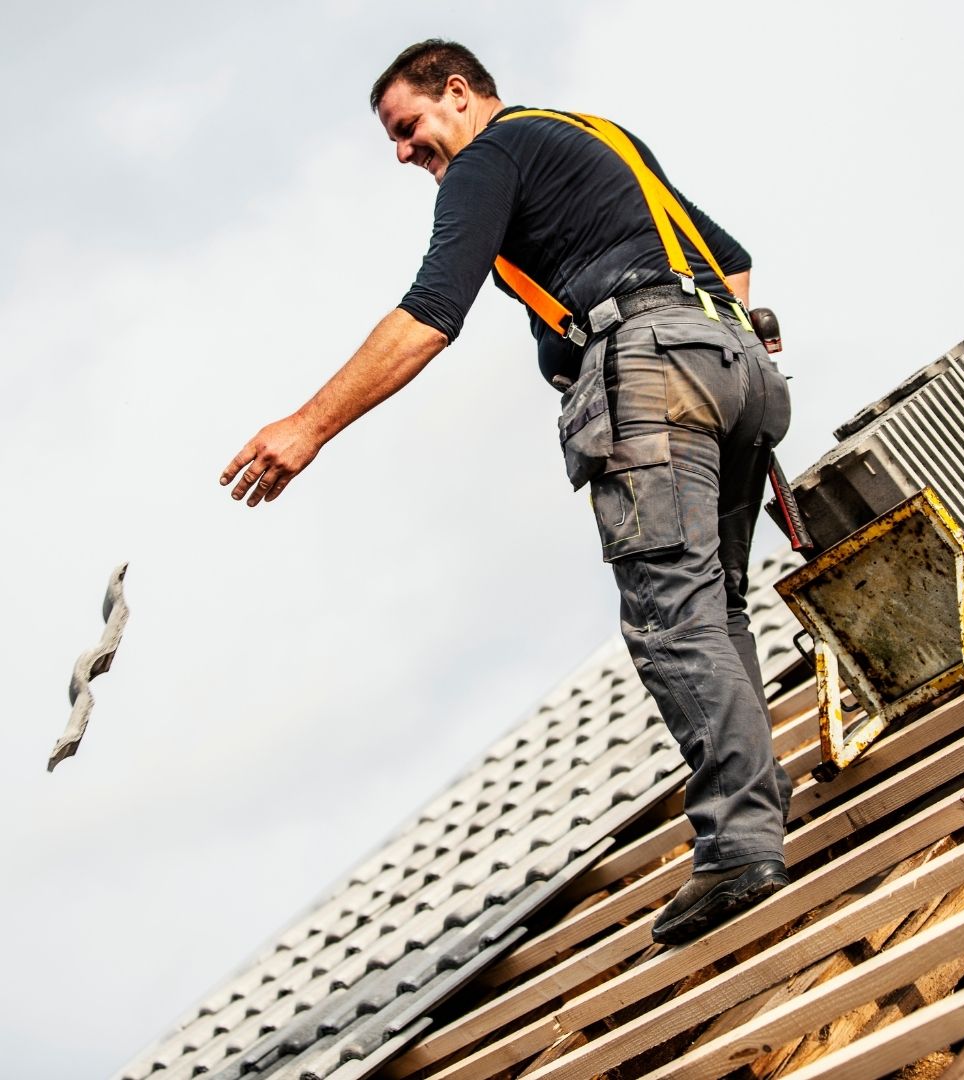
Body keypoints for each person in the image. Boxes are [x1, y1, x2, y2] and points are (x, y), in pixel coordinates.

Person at [220, 39, 793, 945]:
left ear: (458, 92)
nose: (402, 152)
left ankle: (740, 846)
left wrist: (308, 426)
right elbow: (731, 261)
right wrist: (700, 338)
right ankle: (758, 817)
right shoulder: (592, 134)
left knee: (674, 619)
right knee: (716, 611)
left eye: (407, 126)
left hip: (652, 375)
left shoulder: (489, 157)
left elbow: (430, 312)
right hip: (737, 368)